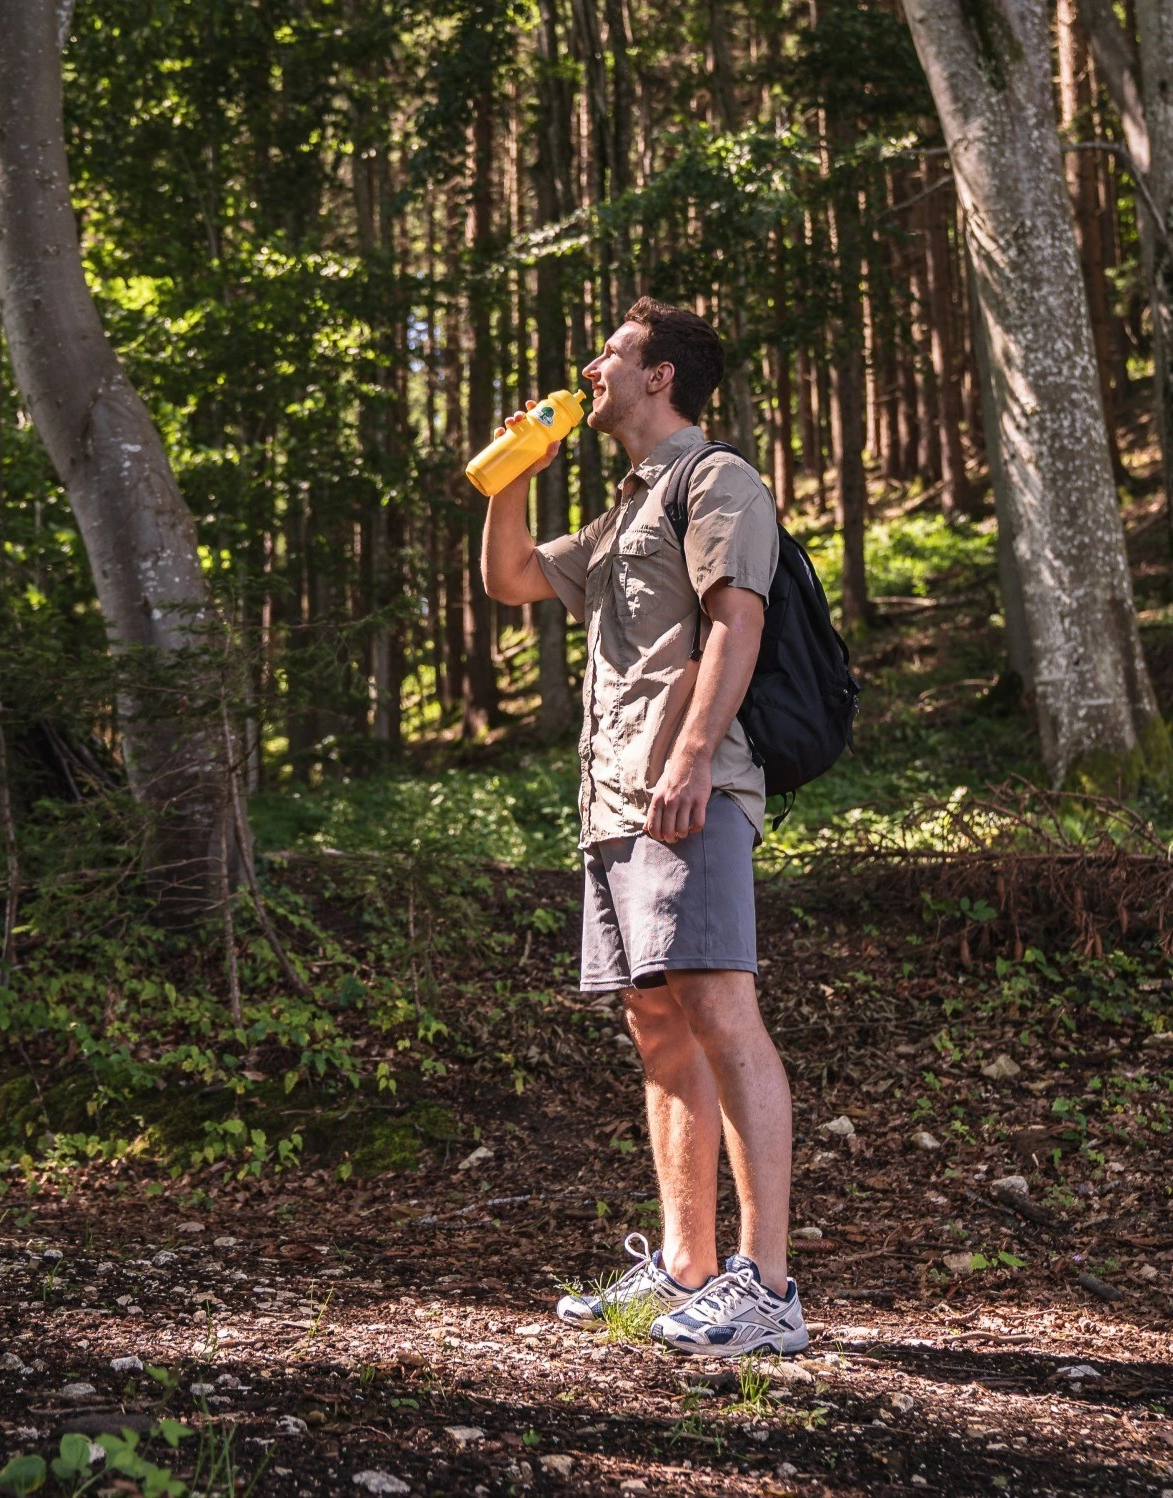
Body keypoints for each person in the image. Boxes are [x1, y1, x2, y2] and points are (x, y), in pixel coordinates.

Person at [480, 298, 806, 1357]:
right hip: (616, 801)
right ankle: (685, 1265)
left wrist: (694, 756)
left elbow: (736, 620)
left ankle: (767, 1287)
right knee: (656, 1024)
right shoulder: (624, 512)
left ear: (659, 375)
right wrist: (510, 474)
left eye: (612, 353)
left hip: (688, 791)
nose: (592, 366)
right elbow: (512, 578)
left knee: (720, 1012)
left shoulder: (715, 480)